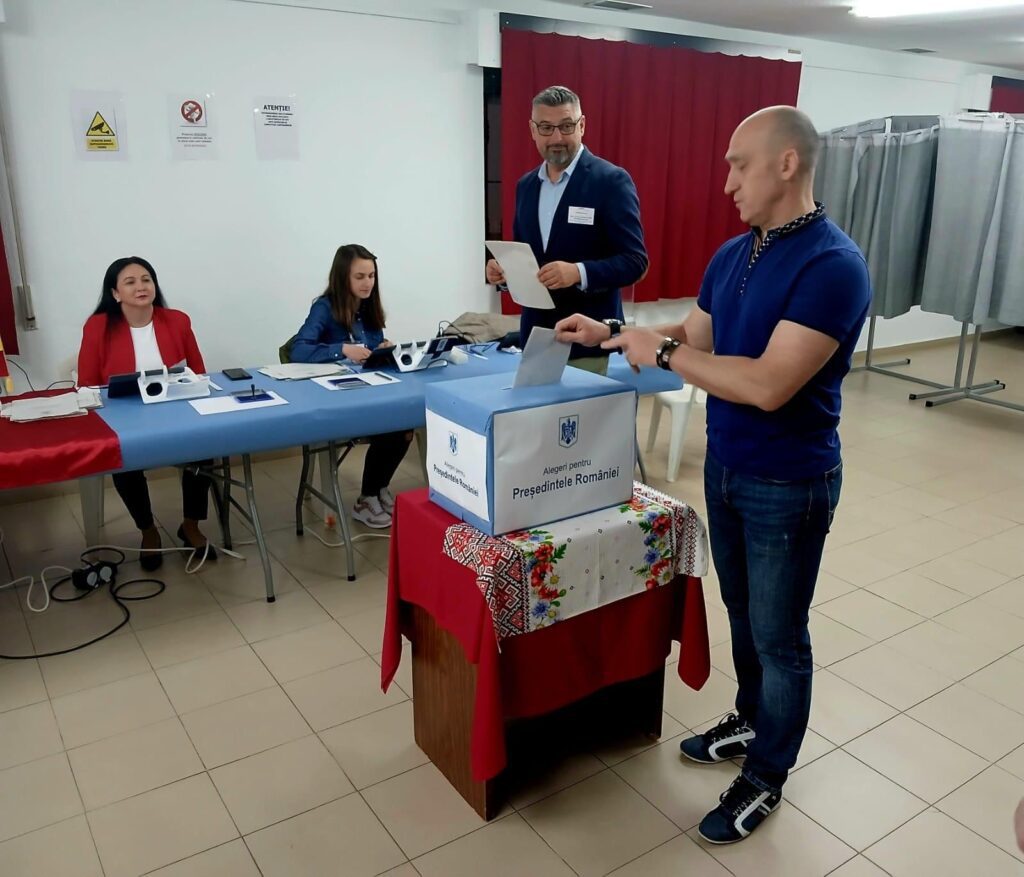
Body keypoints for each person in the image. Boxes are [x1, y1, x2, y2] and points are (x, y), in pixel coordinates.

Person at [556, 106, 871, 844]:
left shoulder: (832, 265)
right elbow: (694, 335)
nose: (727, 181)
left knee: (779, 635)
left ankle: (767, 773)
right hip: (728, 467)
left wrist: (664, 355)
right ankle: (752, 718)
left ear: (787, 164)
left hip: (788, 482)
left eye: (739, 164)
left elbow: (767, 384)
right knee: (742, 613)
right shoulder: (733, 254)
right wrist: (613, 332)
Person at [485, 85, 647, 374]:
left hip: (588, 344)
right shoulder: (526, 186)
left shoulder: (611, 182)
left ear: (581, 126)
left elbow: (635, 262)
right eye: (546, 128)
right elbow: (529, 259)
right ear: (533, 130)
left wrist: (578, 272)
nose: (557, 138)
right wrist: (507, 274)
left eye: (566, 126)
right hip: (536, 341)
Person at [77, 257, 216, 570]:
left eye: (146, 279)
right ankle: (148, 530)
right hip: (124, 415)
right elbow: (87, 384)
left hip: (176, 410)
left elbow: (198, 372)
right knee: (125, 458)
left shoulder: (177, 320)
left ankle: (190, 525)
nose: (141, 287)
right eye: (130, 282)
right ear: (115, 293)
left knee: (204, 448)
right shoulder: (98, 326)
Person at [290, 244, 411, 529]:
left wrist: (383, 349)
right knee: (391, 428)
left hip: (367, 391)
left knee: (404, 427)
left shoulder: (368, 307)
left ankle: (378, 489)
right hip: (336, 398)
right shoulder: (324, 307)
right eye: (360, 277)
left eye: (371, 276)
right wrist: (342, 349)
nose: (368, 283)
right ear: (343, 277)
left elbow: (370, 352)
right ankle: (366, 499)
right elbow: (299, 350)